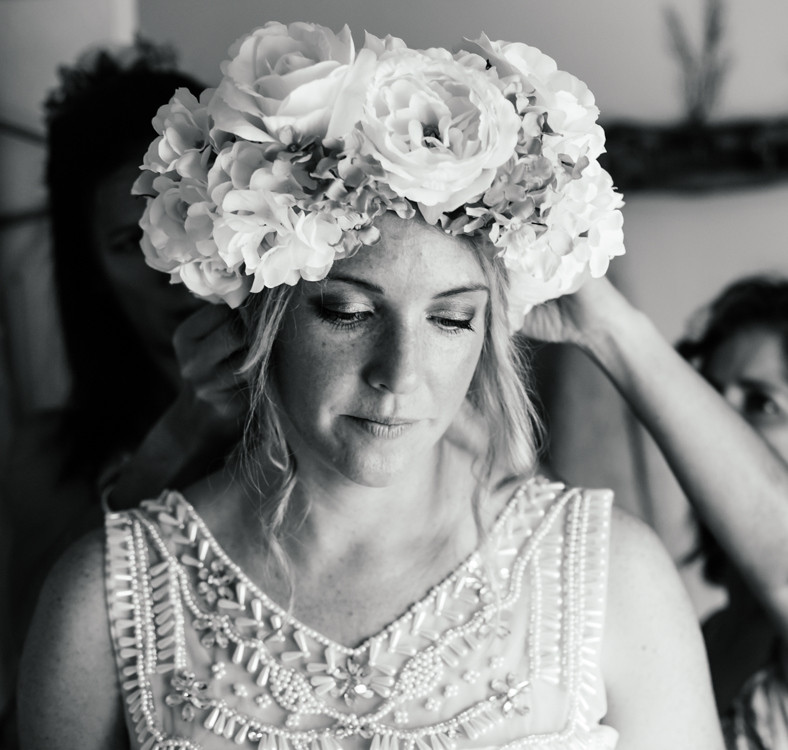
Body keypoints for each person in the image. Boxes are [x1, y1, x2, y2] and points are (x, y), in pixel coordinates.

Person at [17, 23, 722, 749]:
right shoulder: (103, 597)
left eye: (451, 320)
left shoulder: (610, 577)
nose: (401, 374)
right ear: (261, 313)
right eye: (348, 312)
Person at [528, 274, 788, 749]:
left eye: (762, 403)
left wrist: (606, 328)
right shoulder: (709, 634)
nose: (716, 418)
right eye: (710, 391)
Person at [0, 41, 243, 735]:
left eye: (185, 215)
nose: (169, 265)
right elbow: (27, 715)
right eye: (124, 242)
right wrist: (181, 436)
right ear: (92, 275)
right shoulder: (49, 461)